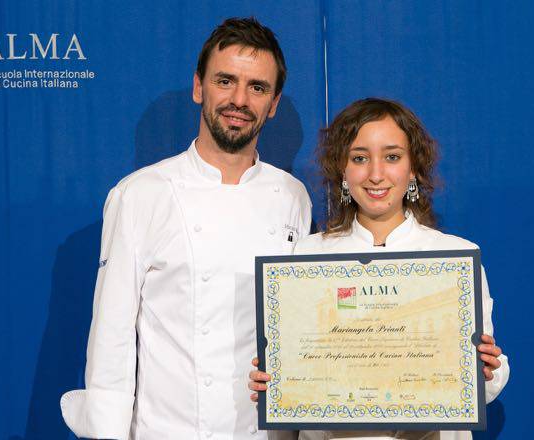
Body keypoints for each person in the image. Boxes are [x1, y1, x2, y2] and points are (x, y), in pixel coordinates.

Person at [60, 18, 312, 440]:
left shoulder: (293, 196)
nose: (239, 99)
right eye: (225, 81)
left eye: (257, 87)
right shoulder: (139, 194)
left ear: (273, 103)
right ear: (199, 87)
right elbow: (112, 339)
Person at [248, 98, 509, 440]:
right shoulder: (306, 257)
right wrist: (270, 379)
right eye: (359, 158)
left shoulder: (454, 257)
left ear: (413, 167)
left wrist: (488, 369)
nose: (375, 174)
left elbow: (483, 379)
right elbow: (293, 383)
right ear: (342, 169)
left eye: (392, 156)